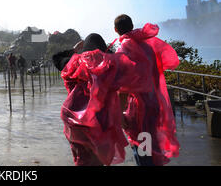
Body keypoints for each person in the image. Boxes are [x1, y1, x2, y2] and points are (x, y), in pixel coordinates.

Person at [53, 33, 149, 166]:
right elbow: (127, 86)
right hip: (101, 118)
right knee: (98, 157)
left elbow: (56, 58)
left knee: (82, 157)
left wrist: (74, 49)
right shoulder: (111, 65)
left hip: (73, 117)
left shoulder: (74, 63)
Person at [113, 14, 180, 166]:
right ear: (132, 25)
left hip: (138, 111)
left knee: (143, 150)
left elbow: (123, 88)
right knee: (151, 145)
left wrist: (119, 115)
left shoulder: (124, 49)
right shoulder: (147, 46)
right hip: (153, 104)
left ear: (116, 30)